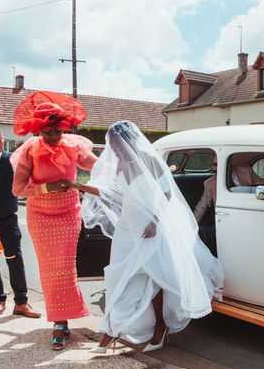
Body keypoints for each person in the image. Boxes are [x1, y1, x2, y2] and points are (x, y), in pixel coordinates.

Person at [76, 121, 223, 354]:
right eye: (112, 146)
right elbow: (116, 194)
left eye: (117, 145)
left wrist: (154, 221)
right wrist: (79, 186)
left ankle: (158, 328)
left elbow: (166, 193)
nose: (114, 150)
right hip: (127, 228)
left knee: (155, 280)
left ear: (129, 141)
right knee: (119, 279)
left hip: (150, 227)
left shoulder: (150, 160)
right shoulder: (121, 164)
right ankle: (112, 331)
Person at [10, 91, 98, 350]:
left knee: (66, 267)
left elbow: (99, 167)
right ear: (39, 129)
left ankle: (62, 320)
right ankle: (59, 321)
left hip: (69, 212)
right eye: (47, 131)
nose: (53, 135)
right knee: (50, 270)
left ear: (63, 128)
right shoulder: (30, 150)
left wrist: (129, 165)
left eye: (57, 130)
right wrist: (47, 188)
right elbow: (18, 189)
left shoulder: (74, 146)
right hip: (40, 215)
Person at [0, 127, 41, 318]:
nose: (0, 144)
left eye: (1, 140)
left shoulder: (13, 159)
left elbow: (28, 181)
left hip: (7, 217)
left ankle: (21, 302)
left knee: (14, 259)